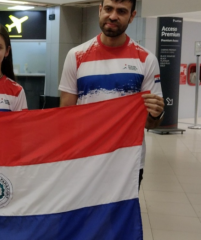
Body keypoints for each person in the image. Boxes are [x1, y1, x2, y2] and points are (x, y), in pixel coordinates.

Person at [59, 0, 165, 189]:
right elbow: (66, 116)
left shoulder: (146, 60)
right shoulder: (76, 55)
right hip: (85, 159)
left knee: (120, 219)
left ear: (132, 16)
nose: (113, 16)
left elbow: (151, 122)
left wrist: (156, 114)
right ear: (100, 10)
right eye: (108, 9)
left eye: (121, 11)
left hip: (127, 162)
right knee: (84, 218)